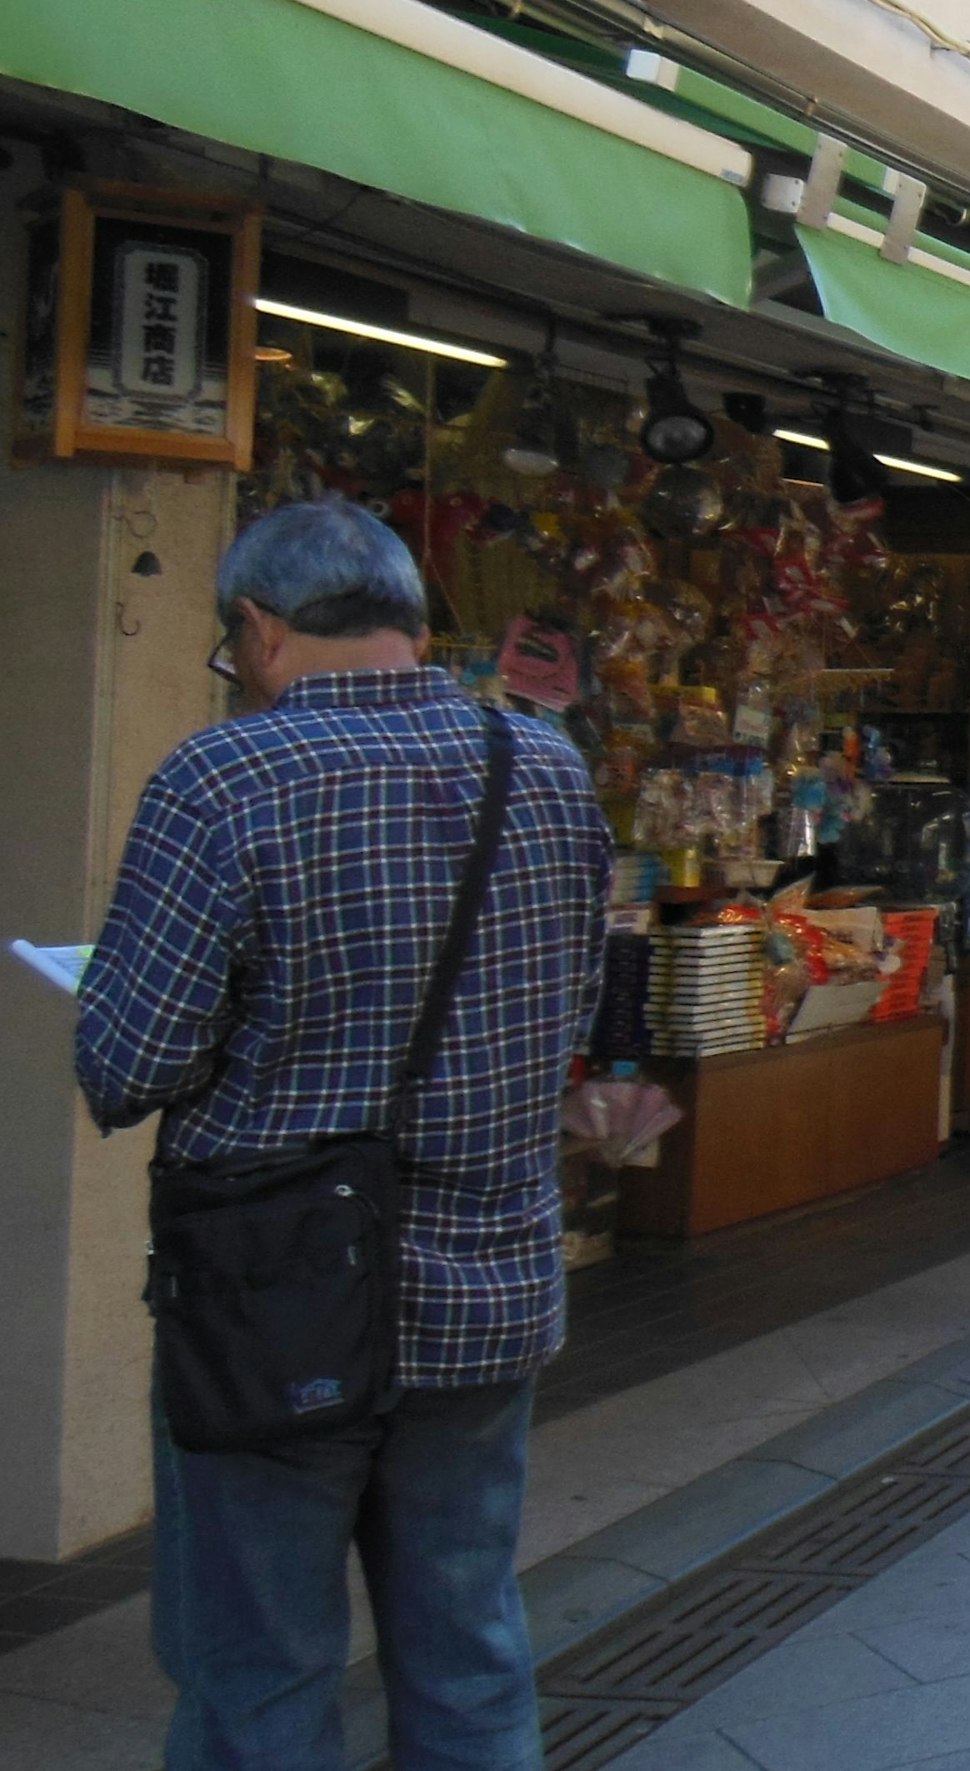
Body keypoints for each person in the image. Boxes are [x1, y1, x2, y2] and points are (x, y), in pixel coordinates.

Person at [77, 499, 613, 1771]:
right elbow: (571, 1010)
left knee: (259, 1664)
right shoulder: (542, 765)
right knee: (471, 1640)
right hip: (485, 1288)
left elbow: (127, 1061)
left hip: (277, 1302)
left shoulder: (221, 778)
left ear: (259, 630)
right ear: (414, 626)